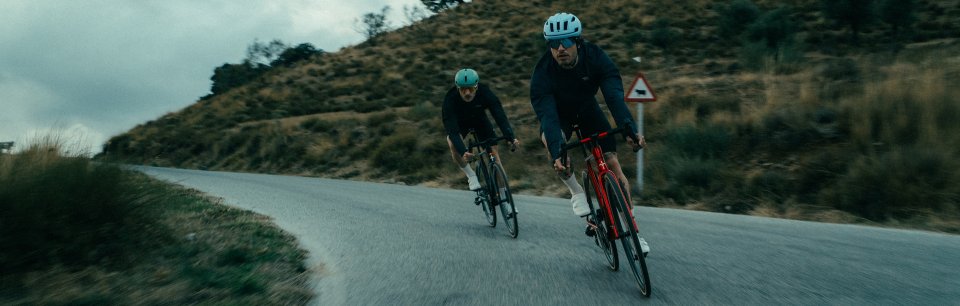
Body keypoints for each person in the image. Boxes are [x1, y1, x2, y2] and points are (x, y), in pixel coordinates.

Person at [530, 12, 649, 247]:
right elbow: (548, 117)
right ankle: (576, 192)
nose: (560, 48)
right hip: (559, 115)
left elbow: (614, 96)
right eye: (554, 43)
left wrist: (629, 131)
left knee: (611, 164)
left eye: (566, 41)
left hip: (587, 109)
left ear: (578, 41)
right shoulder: (542, 74)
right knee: (552, 143)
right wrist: (557, 152)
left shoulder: (595, 57)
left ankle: (634, 230)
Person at [443, 68, 520, 191]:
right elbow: (452, 131)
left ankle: (505, 196)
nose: (467, 93)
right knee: (452, 143)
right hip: (460, 124)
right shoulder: (450, 100)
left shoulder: (485, 93)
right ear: (458, 89)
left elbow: (500, 116)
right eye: (463, 89)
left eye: (471, 89)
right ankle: (471, 175)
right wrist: (463, 151)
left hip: (480, 122)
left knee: (494, 157)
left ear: (477, 87)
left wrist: (510, 137)